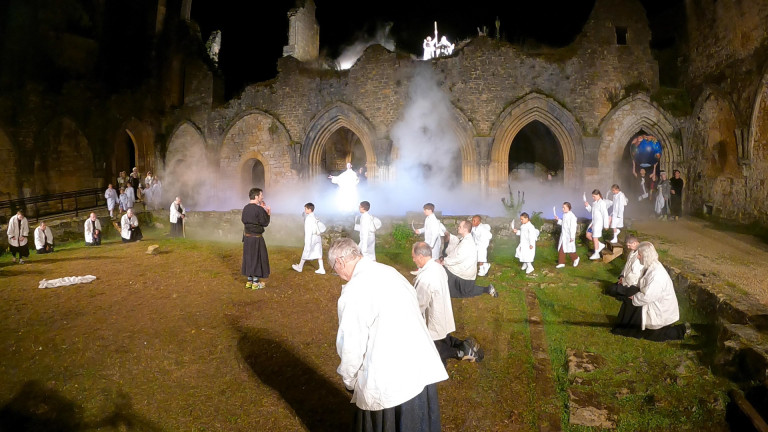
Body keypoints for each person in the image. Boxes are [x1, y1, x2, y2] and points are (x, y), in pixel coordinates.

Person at [329, 238, 447, 431]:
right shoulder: (390, 272)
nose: (338, 274)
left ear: (340, 262)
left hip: (388, 380)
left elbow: (351, 345)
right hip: (419, 367)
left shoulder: (354, 292)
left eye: (335, 269)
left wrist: (350, 381)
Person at [412, 241, 484, 365]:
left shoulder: (426, 278)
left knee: (433, 349)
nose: (413, 260)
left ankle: (461, 353)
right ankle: (464, 345)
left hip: (433, 316)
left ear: (420, 256)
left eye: (413, 257)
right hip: (443, 311)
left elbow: (419, 305)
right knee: (443, 337)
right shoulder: (438, 267)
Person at [610, 242, 688, 341]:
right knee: (629, 295)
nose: (638, 257)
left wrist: (634, 297)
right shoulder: (649, 266)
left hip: (659, 309)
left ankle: (683, 330)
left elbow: (648, 296)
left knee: (654, 335)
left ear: (646, 256)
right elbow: (641, 283)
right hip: (650, 300)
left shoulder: (657, 275)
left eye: (639, 255)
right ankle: (624, 328)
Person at [442, 220, 498, 298]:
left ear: (465, 229)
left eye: (460, 227)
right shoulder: (465, 239)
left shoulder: (467, 242)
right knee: (448, 286)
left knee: (464, 292)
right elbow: (456, 252)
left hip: (464, 273)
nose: (458, 228)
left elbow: (459, 258)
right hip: (461, 269)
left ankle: (487, 289)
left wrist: (444, 261)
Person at [241, 187, 271, 289]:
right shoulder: (259, 209)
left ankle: (249, 281)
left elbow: (244, 220)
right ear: (257, 196)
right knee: (257, 258)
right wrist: (268, 213)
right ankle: (255, 283)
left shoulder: (245, 208)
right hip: (256, 238)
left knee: (249, 258)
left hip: (247, 238)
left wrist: (261, 209)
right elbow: (265, 223)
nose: (262, 197)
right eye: (261, 195)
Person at [292, 202, 325, 274]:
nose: (305, 210)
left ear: (309, 209)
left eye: (305, 209)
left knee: (306, 250)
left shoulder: (309, 219)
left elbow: (308, 231)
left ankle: (300, 267)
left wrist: (307, 241)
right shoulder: (315, 216)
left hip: (312, 237)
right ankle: (322, 269)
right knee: (319, 252)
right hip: (318, 237)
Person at [584, 189, 610, 260]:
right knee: (588, 235)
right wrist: (587, 206)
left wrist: (606, 225)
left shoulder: (602, 203)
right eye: (592, 196)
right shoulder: (594, 203)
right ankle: (600, 245)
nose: (593, 198)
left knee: (595, 237)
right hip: (593, 222)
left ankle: (596, 254)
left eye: (594, 196)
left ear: (598, 195)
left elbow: (605, 214)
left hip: (598, 223)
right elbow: (592, 211)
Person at [554, 202, 579, 268]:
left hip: (569, 235)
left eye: (564, 207)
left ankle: (576, 258)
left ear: (568, 207)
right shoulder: (565, 215)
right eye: (562, 207)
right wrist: (558, 219)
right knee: (562, 248)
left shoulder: (572, 216)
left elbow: (573, 227)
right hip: (564, 235)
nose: (562, 209)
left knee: (569, 249)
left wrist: (572, 237)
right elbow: (564, 224)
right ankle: (561, 262)